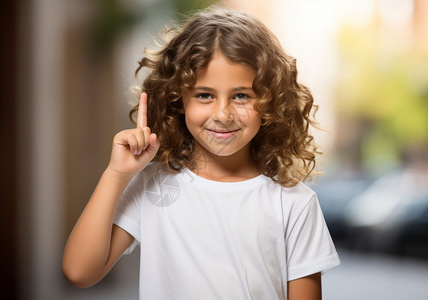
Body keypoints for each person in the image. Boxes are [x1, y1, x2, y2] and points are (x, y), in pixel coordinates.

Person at [62, 6, 340, 300]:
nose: (223, 114)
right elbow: (79, 272)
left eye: (241, 95)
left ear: (270, 101)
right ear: (177, 98)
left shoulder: (294, 203)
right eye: (204, 95)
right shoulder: (151, 185)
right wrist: (117, 174)